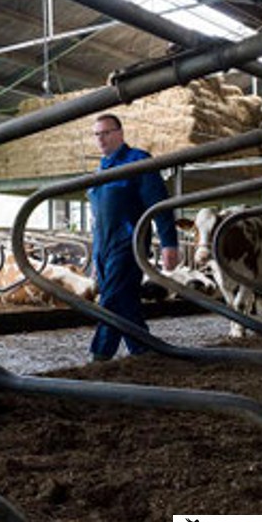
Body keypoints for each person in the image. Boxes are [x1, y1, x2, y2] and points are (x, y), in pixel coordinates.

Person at [87, 113, 179, 362]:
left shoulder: (138, 161)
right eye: (97, 134)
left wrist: (169, 242)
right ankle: (142, 348)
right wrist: (95, 258)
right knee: (125, 300)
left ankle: (100, 354)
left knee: (112, 298)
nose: (101, 139)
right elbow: (97, 220)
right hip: (103, 247)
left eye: (106, 132)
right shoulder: (99, 171)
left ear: (120, 133)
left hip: (128, 244)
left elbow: (159, 204)